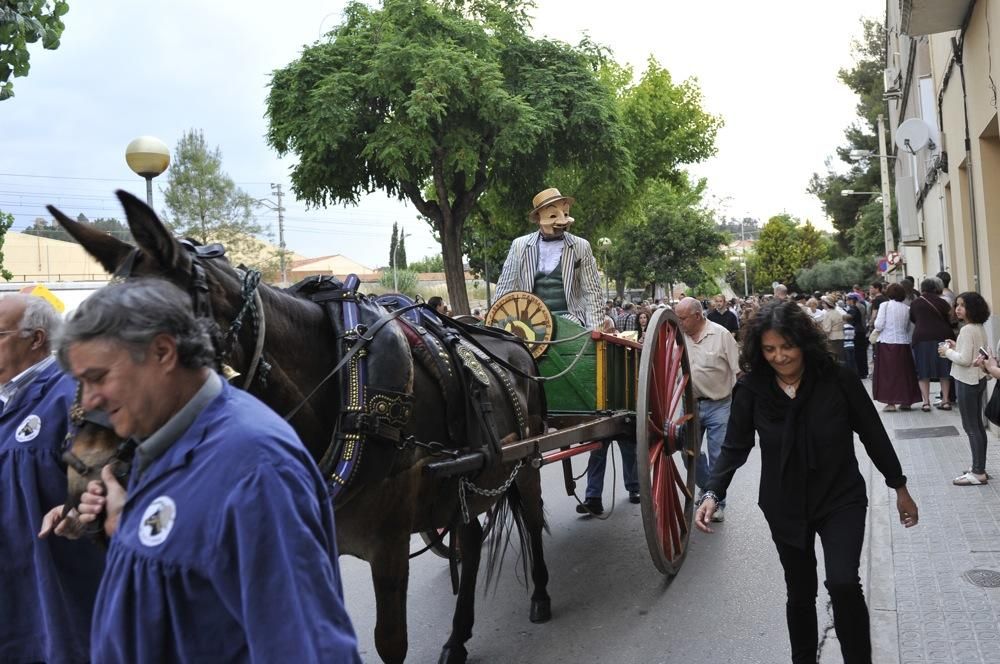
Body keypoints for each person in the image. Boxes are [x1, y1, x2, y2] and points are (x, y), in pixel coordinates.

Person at [40, 279, 360, 662]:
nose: (89, 400)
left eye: (98, 377)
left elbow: (306, 648)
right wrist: (127, 525)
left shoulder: (256, 467)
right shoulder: (162, 436)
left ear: (162, 352)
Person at [695, 300, 918, 664]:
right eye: (769, 349)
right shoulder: (752, 389)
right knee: (799, 592)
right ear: (758, 350)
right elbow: (734, 447)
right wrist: (712, 492)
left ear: (803, 343)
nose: (780, 357)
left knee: (844, 583)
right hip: (784, 503)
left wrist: (899, 487)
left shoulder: (838, 378)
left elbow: (873, 433)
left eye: (787, 346)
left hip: (839, 496)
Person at [0, 295, 105, 663]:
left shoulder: (76, 396)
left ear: (36, 338)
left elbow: (106, 477)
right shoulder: (5, 398)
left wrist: (79, 507)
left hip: (59, 598)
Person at [495, 187, 603, 328]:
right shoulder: (519, 245)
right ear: (538, 218)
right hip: (529, 322)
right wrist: (497, 327)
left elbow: (593, 293)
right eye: (552, 216)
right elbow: (505, 289)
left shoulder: (581, 246)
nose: (563, 222)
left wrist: (595, 332)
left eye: (565, 214)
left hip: (570, 319)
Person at [675, 297, 740, 522]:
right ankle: (708, 490)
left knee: (718, 456)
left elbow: (738, 372)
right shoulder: (679, 338)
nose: (679, 322)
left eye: (682, 318)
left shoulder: (721, 335)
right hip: (689, 405)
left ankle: (717, 503)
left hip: (719, 404)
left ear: (697, 315)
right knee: (687, 453)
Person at [940, 291, 991, 485]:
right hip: (978, 379)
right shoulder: (978, 327)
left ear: (972, 308)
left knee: (971, 426)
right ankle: (979, 467)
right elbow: (973, 352)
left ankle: (978, 472)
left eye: (962, 305)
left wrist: (948, 351)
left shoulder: (967, 329)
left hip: (967, 380)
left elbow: (964, 359)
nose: (958, 309)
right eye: (957, 305)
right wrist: (956, 346)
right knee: (977, 425)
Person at [872, 283, 921, 411]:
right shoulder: (906, 308)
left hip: (887, 342)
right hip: (903, 343)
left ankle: (891, 402)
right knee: (904, 373)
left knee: (888, 374)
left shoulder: (885, 305)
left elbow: (879, 325)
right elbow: (907, 327)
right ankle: (905, 401)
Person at [909, 278, 954, 412]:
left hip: (922, 337)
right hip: (943, 337)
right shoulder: (943, 302)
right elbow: (949, 319)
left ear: (923, 288)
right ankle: (946, 400)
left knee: (923, 370)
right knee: (944, 369)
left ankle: (926, 402)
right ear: (936, 288)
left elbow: (913, 319)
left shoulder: (916, 303)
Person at [844, 293, 869, 378]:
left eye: (847, 300)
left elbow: (851, 320)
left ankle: (860, 372)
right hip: (860, 331)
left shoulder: (852, 310)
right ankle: (863, 372)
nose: (846, 301)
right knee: (861, 353)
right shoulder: (857, 308)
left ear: (851, 301)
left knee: (858, 353)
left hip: (857, 333)